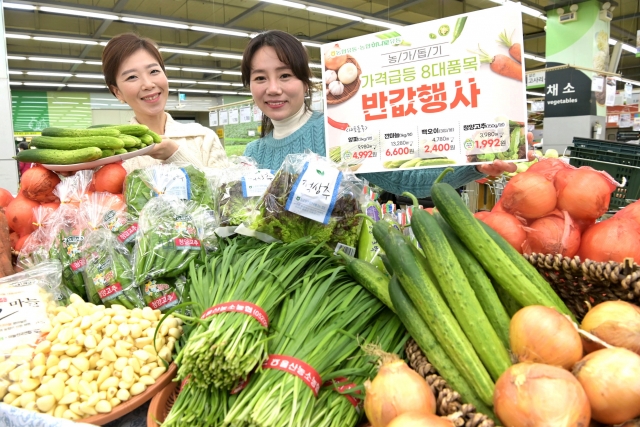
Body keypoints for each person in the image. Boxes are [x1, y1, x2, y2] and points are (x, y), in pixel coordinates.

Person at [242, 30, 526, 198]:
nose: (273, 89)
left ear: (305, 81)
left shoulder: (337, 134)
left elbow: (406, 181)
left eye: (285, 75)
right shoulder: (251, 154)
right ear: (249, 85)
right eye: (260, 78)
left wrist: (473, 167)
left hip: (333, 284)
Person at [102, 33, 228, 173]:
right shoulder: (112, 153)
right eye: (132, 77)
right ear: (117, 92)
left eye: (154, 71)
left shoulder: (203, 138)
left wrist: (175, 154)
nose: (148, 84)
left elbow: (226, 192)